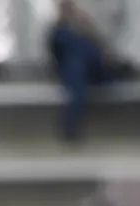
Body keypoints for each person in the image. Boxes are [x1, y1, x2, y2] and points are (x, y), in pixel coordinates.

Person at [48, 1, 130, 142]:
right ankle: (70, 128)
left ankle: (70, 128)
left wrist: (86, 27)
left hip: (91, 66)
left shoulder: (83, 31)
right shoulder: (61, 34)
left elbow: (102, 47)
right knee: (77, 76)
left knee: (86, 67)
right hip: (78, 67)